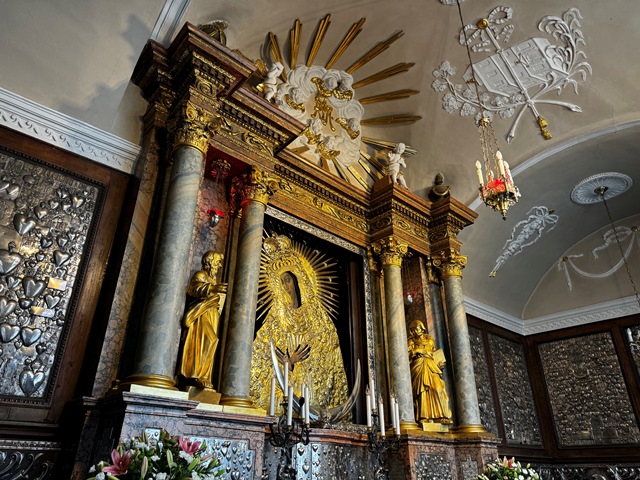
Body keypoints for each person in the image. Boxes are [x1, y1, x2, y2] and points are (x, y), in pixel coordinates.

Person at [178, 251, 227, 389]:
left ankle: (204, 375)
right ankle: (195, 374)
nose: (219, 265)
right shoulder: (201, 275)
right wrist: (212, 288)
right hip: (201, 314)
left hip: (212, 314)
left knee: (212, 341)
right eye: (217, 262)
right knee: (207, 340)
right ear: (209, 262)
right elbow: (193, 289)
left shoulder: (212, 278)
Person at [407, 320, 452, 423]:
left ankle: (441, 416)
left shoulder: (430, 340)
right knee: (422, 390)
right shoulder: (411, 342)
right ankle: (424, 416)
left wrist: (439, 362)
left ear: (422, 328)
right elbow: (407, 356)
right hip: (418, 366)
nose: (415, 332)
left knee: (438, 388)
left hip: (431, 366)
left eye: (417, 329)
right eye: (413, 330)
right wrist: (416, 351)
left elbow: (435, 353)